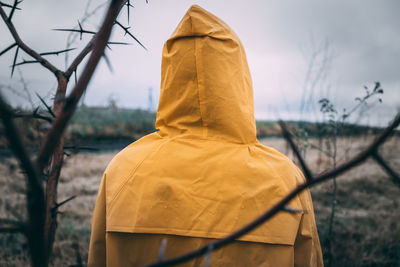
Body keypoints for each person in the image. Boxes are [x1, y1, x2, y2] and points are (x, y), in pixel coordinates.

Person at [88, 5, 323, 267]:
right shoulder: (285, 179)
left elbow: (99, 258)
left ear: (170, 75)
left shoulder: (123, 170)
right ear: (239, 78)